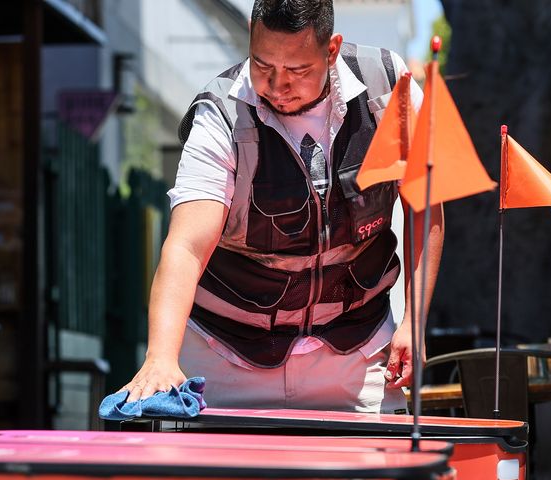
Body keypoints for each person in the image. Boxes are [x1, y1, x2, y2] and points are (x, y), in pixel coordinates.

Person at [120, 0, 444, 413]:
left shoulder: (387, 86)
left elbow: (427, 205)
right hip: (228, 355)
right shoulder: (220, 114)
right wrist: (161, 358)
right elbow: (186, 246)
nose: (276, 85)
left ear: (332, 50)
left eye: (297, 70)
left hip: (355, 351)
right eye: (262, 65)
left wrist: (414, 322)